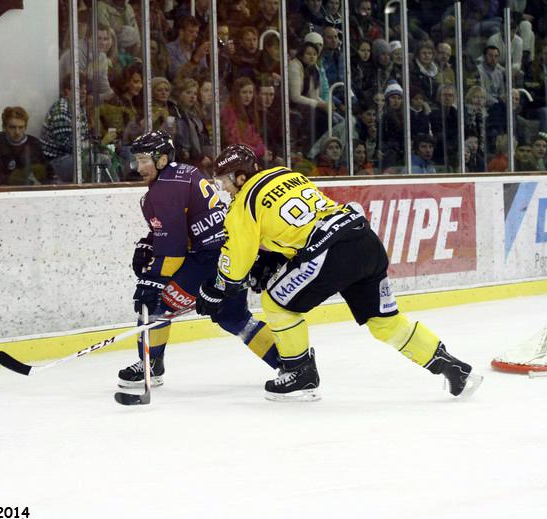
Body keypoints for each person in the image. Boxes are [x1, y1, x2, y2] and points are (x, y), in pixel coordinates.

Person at [195, 144, 483, 401]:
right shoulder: (286, 174)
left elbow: (237, 261)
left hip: (330, 253)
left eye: (224, 181)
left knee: (276, 303)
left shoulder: (242, 204)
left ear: (240, 177)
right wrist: (276, 258)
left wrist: (218, 287)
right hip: (364, 240)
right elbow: (299, 224)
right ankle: (452, 367)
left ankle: (299, 374)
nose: (223, 189)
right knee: (386, 323)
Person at [117, 131, 281, 387]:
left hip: (207, 259)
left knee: (156, 301)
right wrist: (151, 241)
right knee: (234, 317)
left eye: (143, 160)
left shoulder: (164, 189)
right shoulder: (184, 173)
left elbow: (173, 248)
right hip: (230, 255)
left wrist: (152, 280)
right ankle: (291, 363)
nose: (138, 168)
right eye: (136, 161)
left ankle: (150, 365)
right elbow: (181, 226)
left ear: (161, 160)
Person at [0, 106, 53, 187]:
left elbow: (48, 176)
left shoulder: (34, 144)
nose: (17, 132)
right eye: (12, 127)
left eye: (21, 127)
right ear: (4, 127)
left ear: (26, 127)